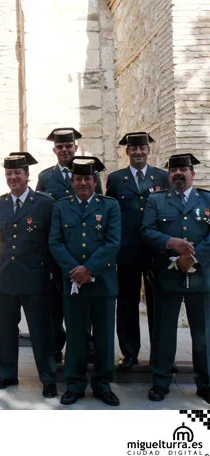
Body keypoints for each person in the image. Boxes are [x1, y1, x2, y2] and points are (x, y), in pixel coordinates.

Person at [49, 157, 121, 406]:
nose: (82, 183)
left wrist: (89, 270)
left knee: (103, 337)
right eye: (78, 179)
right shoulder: (61, 207)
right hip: (72, 282)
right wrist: (75, 271)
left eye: (87, 179)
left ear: (95, 181)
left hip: (102, 282)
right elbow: (55, 243)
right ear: (72, 181)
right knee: (77, 335)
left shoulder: (110, 206)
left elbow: (113, 243)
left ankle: (103, 385)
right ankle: (75, 384)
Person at [141, 154, 210, 404]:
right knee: (164, 331)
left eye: (183, 169)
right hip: (167, 276)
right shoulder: (157, 200)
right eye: (173, 170)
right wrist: (171, 243)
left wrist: (192, 256)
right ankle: (160, 381)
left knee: (203, 332)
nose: (178, 173)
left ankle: (206, 383)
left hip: (200, 276)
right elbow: (147, 231)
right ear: (169, 175)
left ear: (193, 173)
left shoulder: (207, 199)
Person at [0, 153, 57, 397]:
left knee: (40, 331)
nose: (13, 177)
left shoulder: (44, 203)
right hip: (7, 277)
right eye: (9, 174)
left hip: (35, 277)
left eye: (18, 173)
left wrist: (46, 272)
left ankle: (48, 379)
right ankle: (7, 374)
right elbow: (5, 241)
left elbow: (52, 241)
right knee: (7, 329)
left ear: (27, 176)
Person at [37, 127, 102, 364]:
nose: (65, 150)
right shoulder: (46, 178)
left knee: (84, 303)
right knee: (55, 302)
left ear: (76, 147)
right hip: (57, 252)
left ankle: (86, 345)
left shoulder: (91, 173)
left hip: (84, 251)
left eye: (69, 146)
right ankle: (56, 346)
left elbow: (100, 209)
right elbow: (41, 211)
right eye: (60, 147)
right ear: (55, 150)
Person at [105, 132, 169, 370]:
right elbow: (111, 215)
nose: (138, 152)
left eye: (142, 148)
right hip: (127, 250)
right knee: (127, 303)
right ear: (127, 152)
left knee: (159, 304)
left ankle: (160, 354)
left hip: (156, 252)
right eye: (133, 148)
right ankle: (129, 353)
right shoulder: (115, 179)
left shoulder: (162, 177)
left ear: (148, 150)